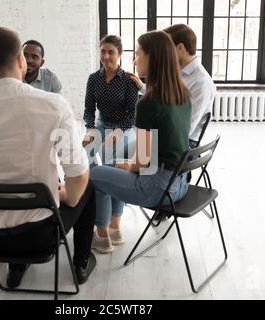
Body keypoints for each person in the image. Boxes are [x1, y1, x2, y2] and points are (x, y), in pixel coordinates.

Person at [0, 27, 96, 289]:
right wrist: (66, 195)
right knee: (89, 185)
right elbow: (77, 174)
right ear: (21, 60)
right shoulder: (54, 106)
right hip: (37, 235)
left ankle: (16, 266)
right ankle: (81, 261)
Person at [90, 31, 191, 254]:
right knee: (113, 163)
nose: (134, 60)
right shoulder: (183, 94)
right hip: (180, 183)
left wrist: (129, 165)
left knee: (94, 175)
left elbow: (142, 163)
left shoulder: (148, 103)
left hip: (156, 187)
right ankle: (114, 229)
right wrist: (127, 163)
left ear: (152, 58)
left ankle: (102, 235)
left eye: (138, 54)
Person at [128, 24, 216, 148]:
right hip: (166, 138)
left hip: (183, 143)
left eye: (167, 46)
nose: (163, 51)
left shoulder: (201, 83)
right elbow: (164, 99)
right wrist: (142, 86)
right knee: (120, 144)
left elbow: (186, 129)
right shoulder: (177, 73)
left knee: (118, 149)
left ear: (180, 48)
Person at [83, 35, 139, 167]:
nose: (106, 56)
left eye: (111, 52)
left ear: (120, 54)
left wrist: (119, 130)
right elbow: (89, 109)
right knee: (84, 152)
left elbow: (132, 113)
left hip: (123, 127)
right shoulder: (93, 78)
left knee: (112, 159)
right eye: (103, 51)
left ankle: (105, 180)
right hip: (101, 124)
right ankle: (93, 180)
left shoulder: (128, 80)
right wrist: (90, 128)